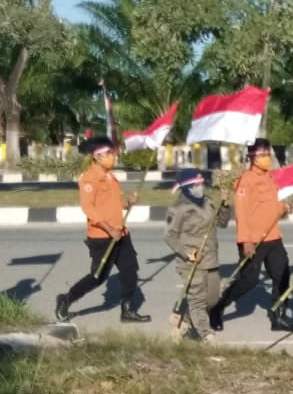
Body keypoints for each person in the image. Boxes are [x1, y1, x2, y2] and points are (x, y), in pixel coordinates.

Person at [54, 138, 149, 322]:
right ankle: (66, 299)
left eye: (112, 153)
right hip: (102, 236)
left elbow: (114, 204)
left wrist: (128, 201)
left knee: (130, 271)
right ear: (97, 157)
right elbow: (88, 208)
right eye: (109, 154)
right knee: (98, 277)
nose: (113, 156)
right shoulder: (88, 179)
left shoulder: (111, 177)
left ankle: (127, 311)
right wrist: (108, 228)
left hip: (121, 233)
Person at [211, 138, 293, 332]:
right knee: (248, 281)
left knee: (282, 275)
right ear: (252, 157)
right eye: (262, 154)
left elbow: (270, 206)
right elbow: (241, 213)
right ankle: (217, 308)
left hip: (273, 237)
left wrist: (283, 208)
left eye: (268, 153)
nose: (266, 157)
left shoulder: (270, 178)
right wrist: (246, 241)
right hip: (254, 240)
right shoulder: (246, 180)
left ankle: (278, 316)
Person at [164, 168, 232, 342]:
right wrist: (188, 254)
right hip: (191, 263)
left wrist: (224, 203)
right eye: (196, 184)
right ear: (187, 187)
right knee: (197, 301)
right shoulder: (178, 208)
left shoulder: (207, 201)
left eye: (201, 183)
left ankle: (184, 322)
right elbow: (169, 236)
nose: (200, 187)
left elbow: (222, 223)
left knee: (213, 298)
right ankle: (206, 335)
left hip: (210, 259)